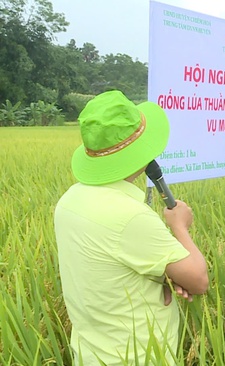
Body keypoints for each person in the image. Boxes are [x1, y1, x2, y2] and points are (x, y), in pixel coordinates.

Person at [54, 90, 209, 365]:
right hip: (138, 355)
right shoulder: (130, 217)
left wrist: (166, 273)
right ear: (140, 153)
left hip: (91, 352)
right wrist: (180, 227)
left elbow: (109, 266)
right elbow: (198, 280)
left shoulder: (69, 200)